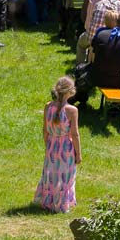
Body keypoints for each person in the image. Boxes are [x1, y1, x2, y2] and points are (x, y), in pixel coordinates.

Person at [33, 76, 81, 213]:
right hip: (66, 147)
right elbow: (75, 134)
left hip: (51, 145)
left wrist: (48, 145)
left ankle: (48, 201)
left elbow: (45, 130)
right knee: (65, 175)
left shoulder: (48, 106)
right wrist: (79, 154)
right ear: (70, 91)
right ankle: (62, 204)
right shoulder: (72, 110)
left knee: (51, 174)